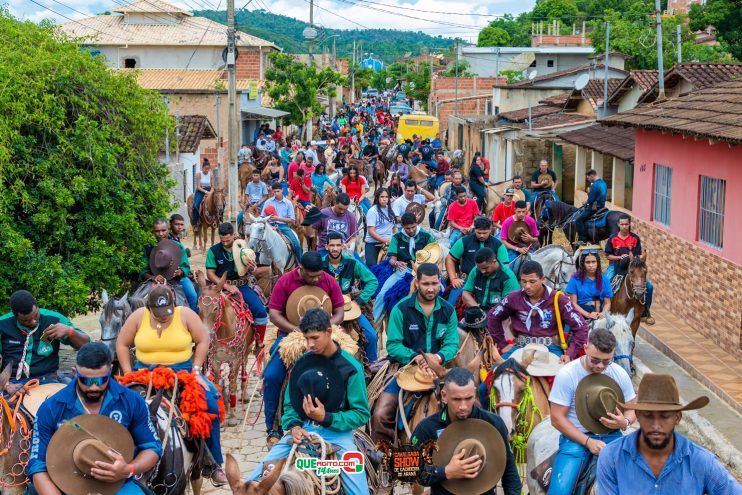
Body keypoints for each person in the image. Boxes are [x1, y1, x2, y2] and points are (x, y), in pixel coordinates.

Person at [246, 308, 370, 493]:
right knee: (252, 482)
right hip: (303, 430)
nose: (309, 344)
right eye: (306, 338)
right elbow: (290, 402)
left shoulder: (351, 368)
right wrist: (294, 425)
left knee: (358, 491)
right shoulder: (303, 362)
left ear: (328, 332)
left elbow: (361, 414)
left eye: (314, 337)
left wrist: (326, 417)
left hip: (338, 434)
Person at [115, 286, 227, 484]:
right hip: (144, 374)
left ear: (174, 304)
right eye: (158, 314)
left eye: (167, 312)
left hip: (181, 373)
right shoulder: (139, 316)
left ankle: (213, 463)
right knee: (117, 406)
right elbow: (122, 343)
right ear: (149, 308)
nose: (163, 317)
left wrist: (196, 370)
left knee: (209, 404)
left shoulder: (185, 314)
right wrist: (127, 374)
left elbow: (203, 340)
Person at [28, 342, 162, 495]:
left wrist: (128, 469)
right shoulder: (51, 407)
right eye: (86, 381)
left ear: (110, 371)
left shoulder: (132, 401)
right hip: (62, 485)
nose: (93, 388)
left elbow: (152, 447)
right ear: (74, 372)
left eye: (100, 381)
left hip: (118, 483)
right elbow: (37, 464)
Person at [597, 373, 741, 495]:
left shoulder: (701, 461)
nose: (656, 425)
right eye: (648, 415)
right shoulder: (611, 457)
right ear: (638, 416)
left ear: (677, 418)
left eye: (665, 416)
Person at [370, 263, 459, 443]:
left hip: (438, 368)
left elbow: (452, 343)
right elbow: (393, 345)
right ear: (416, 283)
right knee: (380, 415)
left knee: (466, 406)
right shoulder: (401, 309)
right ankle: (382, 458)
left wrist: (438, 357)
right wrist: (415, 357)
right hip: (404, 367)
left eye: (435, 283)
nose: (431, 288)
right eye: (426, 284)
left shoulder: (448, 311)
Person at [264, 252, 345, 444]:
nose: (316, 279)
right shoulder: (285, 281)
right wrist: (298, 331)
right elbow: (274, 314)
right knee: (272, 376)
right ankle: (273, 429)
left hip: (325, 335)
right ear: (300, 269)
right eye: (311, 276)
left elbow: (340, 312)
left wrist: (325, 329)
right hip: (290, 335)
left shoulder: (328, 280)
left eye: (318, 275)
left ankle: (340, 419)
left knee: (345, 368)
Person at [548, 328, 637, 495]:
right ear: (586, 347)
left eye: (606, 361)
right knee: (560, 491)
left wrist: (624, 422)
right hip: (576, 438)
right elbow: (557, 418)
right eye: (595, 360)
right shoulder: (568, 374)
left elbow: (632, 407)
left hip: (612, 436)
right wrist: (588, 442)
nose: (600, 366)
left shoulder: (619, 373)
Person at [411, 367, 522, 495]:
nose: (463, 406)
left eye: (468, 398)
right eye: (456, 399)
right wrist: (446, 472)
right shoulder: (427, 427)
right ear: (444, 396)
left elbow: (510, 472)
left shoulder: (494, 423)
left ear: (474, 393)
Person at [487, 260, 588, 360]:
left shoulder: (559, 299)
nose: (527, 286)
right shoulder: (514, 298)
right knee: (496, 372)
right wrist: (502, 344)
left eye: (532, 282)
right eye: (524, 281)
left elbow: (581, 326)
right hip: (521, 347)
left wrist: (569, 354)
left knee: (560, 375)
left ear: (542, 279)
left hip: (551, 349)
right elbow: (493, 316)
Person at [0, 290, 89, 393]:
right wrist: (6, 385)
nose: (33, 321)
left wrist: (70, 332)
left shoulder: (54, 319)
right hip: (12, 383)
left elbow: (86, 345)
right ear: (15, 315)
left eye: (36, 315)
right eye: (26, 320)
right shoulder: (3, 324)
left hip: (47, 380)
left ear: (36, 305)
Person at [204, 223, 269, 344]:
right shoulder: (213, 251)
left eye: (227, 240)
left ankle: (259, 344)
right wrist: (226, 286)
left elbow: (258, 269)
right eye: (222, 240)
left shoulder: (244, 248)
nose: (224, 243)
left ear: (233, 235)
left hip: (241, 285)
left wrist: (253, 268)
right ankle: (202, 344)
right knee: (204, 309)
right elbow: (210, 274)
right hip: (219, 287)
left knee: (261, 312)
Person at [323, 232, 379, 362]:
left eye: (338, 245)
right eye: (332, 245)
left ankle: (372, 366)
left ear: (343, 246)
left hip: (349, 307)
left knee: (371, 336)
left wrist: (359, 302)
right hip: (325, 308)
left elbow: (372, 281)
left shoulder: (352, 263)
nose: (335, 249)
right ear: (326, 247)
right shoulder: (320, 265)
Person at [372, 212, 435, 322]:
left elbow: (435, 255)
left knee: (440, 290)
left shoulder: (427, 236)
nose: (411, 230)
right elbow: (392, 259)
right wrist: (397, 263)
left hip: (424, 271)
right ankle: (374, 324)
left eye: (413, 227)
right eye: (407, 228)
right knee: (382, 294)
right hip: (403, 270)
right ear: (403, 227)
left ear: (416, 224)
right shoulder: (397, 237)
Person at [445, 216, 509, 306]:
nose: (481, 235)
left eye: (485, 233)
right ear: (474, 229)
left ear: (490, 229)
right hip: (466, 280)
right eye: (479, 232)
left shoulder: (498, 245)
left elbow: (505, 266)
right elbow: (450, 258)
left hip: (490, 281)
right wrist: (453, 278)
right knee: (451, 304)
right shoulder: (464, 241)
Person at [604, 214, 655, 324]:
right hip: (616, 266)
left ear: (630, 224)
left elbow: (637, 256)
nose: (624, 226)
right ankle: (601, 310)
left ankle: (645, 313)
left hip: (632, 267)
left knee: (649, 287)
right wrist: (619, 257)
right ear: (618, 224)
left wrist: (633, 259)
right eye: (622, 224)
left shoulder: (635, 238)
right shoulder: (612, 238)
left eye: (626, 224)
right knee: (605, 282)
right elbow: (608, 255)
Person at [141, 218, 198, 312]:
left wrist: (180, 272)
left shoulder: (177, 245)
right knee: (139, 299)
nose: (160, 234)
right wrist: (152, 277)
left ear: (168, 229)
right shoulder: (148, 247)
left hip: (177, 279)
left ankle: (192, 320)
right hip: (154, 280)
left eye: (163, 230)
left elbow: (185, 266)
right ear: (153, 231)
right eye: (157, 231)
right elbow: (143, 270)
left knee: (192, 295)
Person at [565, 249, 613, 320]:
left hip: (599, 313)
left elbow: (607, 303)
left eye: (593, 262)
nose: (591, 265)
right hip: (581, 313)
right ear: (583, 264)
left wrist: (603, 313)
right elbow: (573, 303)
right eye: (588, 262)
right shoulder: (575, 279)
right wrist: (588, 315)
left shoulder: (605, 279)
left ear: (598, 263)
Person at [311, 193, 359, 257]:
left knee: (362, 266)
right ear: (335, 202)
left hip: (344, 250)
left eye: (345, 209)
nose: (342, 212)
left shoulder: (351, 216)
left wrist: (347, 245)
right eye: (340, 208)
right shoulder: (323, 213)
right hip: (325, 249)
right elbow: (311, 231)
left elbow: (354, 237)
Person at [261, 183, 302, 256]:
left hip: (283, 227)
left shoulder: (288, 203)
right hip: (269, 226)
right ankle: (257, 264)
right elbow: (262, 217)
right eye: (274, 192)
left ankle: (300, 264)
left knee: (296, 245)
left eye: (278, 191)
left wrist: (278, 218)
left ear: (282, 190)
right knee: (258, 242)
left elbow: (292, 220)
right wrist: (269, 226)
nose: (276, 193)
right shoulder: (268, 202)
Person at [364, 187, 397, 266]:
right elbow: (371, 231)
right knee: (372, 266)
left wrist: (393, 239)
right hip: (373, 243)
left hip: (389, 244)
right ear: (377, 198)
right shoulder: (372, 211)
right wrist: (385, 240)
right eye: (382, 197)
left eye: (386, 197)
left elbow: (394, 227)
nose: (384, 199)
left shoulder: (390, 209)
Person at [575, 169, 607, 244]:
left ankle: (582, 239)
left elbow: (591, 199)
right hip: (602, 206)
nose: (588, 179)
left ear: (592, 176)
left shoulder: (595, 185)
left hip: (594, 207)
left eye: (588, 178)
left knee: (578, 220)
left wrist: (586, 202)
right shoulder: (603, 183)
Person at [191, 159, 212, 226]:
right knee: (195, 206)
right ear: (202, 167)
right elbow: (198, 187)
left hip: (209, 191)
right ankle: (195, 222)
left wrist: (210, 192)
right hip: (201, 191)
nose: (207, 170)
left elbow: (213, 186)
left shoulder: (211, 174)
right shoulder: (198, 174)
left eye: (208, 169)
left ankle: (218, 220)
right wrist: (206, 192)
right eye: (206, 169)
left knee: (218, 204)